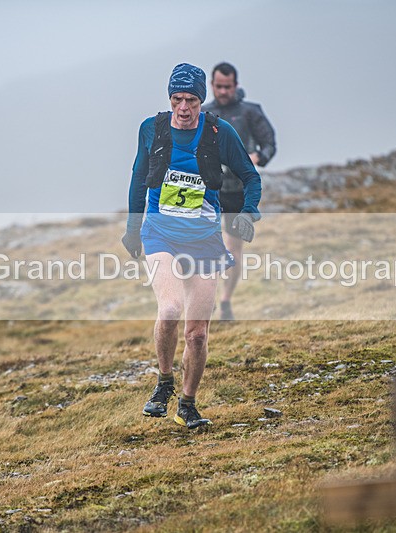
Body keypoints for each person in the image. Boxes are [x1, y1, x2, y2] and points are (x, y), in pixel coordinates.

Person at [121, 63, 262, 429]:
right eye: (177, 99)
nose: (183, 107)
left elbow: (250, 177)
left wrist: (248, 213)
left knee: (197, 334)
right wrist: (132, 228)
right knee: (169, 310)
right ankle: (163, 384)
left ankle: (188, 404)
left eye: (191, 100)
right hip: (160, 234)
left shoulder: (219, 131)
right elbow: (138, 179)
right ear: (170, 99)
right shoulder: (151, 129)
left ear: (202, 100)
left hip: (204, 240)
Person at [203, 62, 276, 321]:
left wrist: (258, 157)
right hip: (209, 190)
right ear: (212, 85)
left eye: (228, 86)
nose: (223, 91)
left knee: (233, 249)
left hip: (238, 191)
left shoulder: (250, 112)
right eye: (219, 86)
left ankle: (225, 302)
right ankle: (207, 298)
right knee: (207, 246)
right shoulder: (203, 112)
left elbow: (270, 143)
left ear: (236, 85)